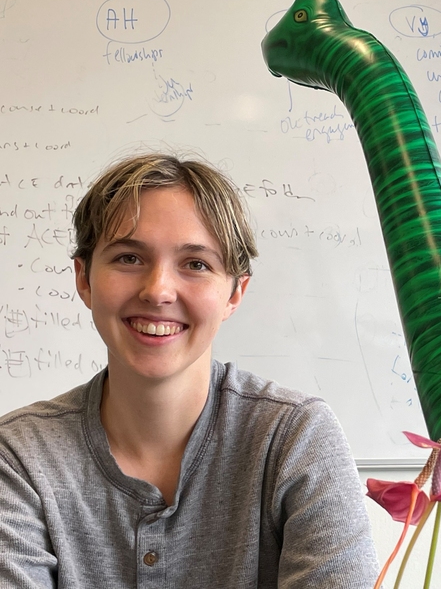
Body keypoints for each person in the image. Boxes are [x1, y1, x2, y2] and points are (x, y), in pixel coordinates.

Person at [0, 153, 379, 588]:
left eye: (196, 264)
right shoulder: (19, 457)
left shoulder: (295, 438)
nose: (158, 290)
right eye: (128, 257)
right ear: (84, 279)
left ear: (235, 293)